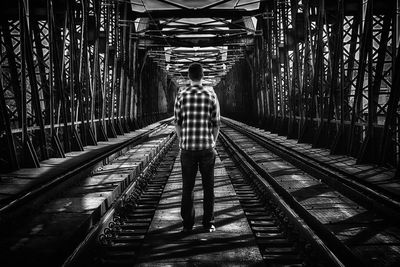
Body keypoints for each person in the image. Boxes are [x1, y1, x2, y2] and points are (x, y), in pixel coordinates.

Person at [174, 63, 220, 233]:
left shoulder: (181, 95)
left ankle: (187, 225)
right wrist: (212, 142)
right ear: (203, 75)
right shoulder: (211, 95)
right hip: (207, 148)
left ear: (188, 76)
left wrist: (182, 140)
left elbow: (177, 123)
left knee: (188, 188)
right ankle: (208, 224)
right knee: (209, 187)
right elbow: (216, 124)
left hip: (188, 150)